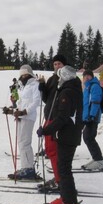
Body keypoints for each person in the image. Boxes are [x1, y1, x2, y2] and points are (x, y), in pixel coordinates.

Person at [37, 65, 84, 204]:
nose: (58, 79)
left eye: (60, 76)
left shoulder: (67, 92)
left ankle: (69, 202)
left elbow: (62, 117)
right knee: (63, 167)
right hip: (70, 133)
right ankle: (66, 198)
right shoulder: (72, 90)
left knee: (64, 169)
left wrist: (46, 130)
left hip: (67, 134)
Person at [3, 65, 40, 180]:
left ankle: (29, 169)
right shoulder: (23, 86)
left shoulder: (35, 85)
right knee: (21, 142)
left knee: (25, 142)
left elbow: (36, 102)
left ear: (30, 74)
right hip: (21, 117)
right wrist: (12, 111)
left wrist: (25, 112)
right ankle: (26, 167)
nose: (24, 76)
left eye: (26, 74)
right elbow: (20, 103)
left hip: (28, 117)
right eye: (22, 75)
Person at [37, 54, 67, 189]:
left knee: (53, 150)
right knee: (50, 150)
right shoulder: (53, 79)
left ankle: (60, 180)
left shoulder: (66, 79)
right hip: (49, 116)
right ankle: (58, 177)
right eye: (55, 64)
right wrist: (42, 87)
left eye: (59, 64)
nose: (57, 66)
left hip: (57, 118)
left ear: (64, 65)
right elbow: (47, 99)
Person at [81, 70, 103, 170]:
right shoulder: (87, 88)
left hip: (93, 117)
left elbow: (95, 102)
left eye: (88, 76)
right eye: (85, 76)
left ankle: (99, 161)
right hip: (88, 117)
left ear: (92, 77)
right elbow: (85, 104)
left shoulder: (94, 86)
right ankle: (96, 159)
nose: (86, 78)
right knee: (87, 137)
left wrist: (91, 116)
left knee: (89, 137)